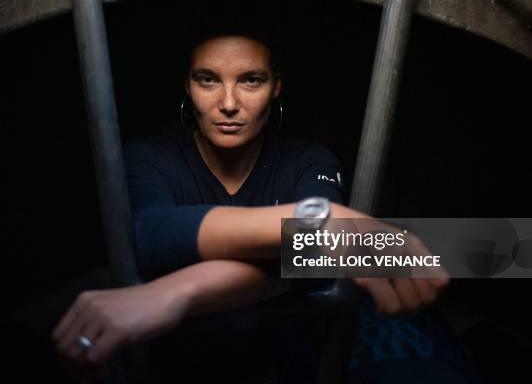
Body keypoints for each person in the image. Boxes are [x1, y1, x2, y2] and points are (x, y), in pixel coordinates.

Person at [52, 22, 482, 383]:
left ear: (276, 86)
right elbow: (150, 233)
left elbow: (310, 264)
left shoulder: (306, 160)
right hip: (179, 365)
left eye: (251, 80)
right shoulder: (148, 158)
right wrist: (320, 220)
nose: (228, 104)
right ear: (187, 85)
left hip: (289, 364)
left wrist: (177, 291)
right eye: (208, 79)